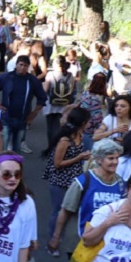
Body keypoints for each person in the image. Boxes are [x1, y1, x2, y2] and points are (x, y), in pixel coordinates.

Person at [49, 140, 125, 262]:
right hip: (79, 239)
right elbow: (66, 211)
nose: (114, 162)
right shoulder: (83, 181)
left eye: (116, 158)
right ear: (99, 160)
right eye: (110, 158)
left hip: (106, 241)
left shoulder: (120, 184)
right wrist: (56, 237)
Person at [42, 107, 91, 250]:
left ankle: (61, 237)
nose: (89, 124)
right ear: (82, 123)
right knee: (58, 210)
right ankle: (53, 240)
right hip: (59, 180)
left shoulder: (80, 135)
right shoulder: (65, 139)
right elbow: (58, 164)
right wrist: (79, 158)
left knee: (69, 210)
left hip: (74, 179)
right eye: (87, 122)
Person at [0, 55, 47, 154]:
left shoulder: (32, 80)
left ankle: (14, 166)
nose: (22, 67)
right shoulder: (6, 77)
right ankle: (0, 166)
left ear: (28, 67)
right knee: (3, 146)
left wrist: (34, 113)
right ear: (16, 65)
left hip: (23, 118)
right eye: (20, 64)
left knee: (16, 149)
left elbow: (42, 98)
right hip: (6, 117)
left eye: (25, 65)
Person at [44, 56, 78, 153]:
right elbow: (72, 90)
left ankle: (50, 148)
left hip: (50, 105)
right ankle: (57, 148)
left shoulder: (50, 74)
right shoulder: (70, 75)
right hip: (64, 106)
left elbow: (46, 89)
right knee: (58, 128)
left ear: (55, 64)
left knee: (50, 128)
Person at [79, 73, 108, 151]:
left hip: (81, 129)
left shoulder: (85, 94)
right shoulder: (95, 100)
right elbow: (97, 120)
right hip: (89, 132)